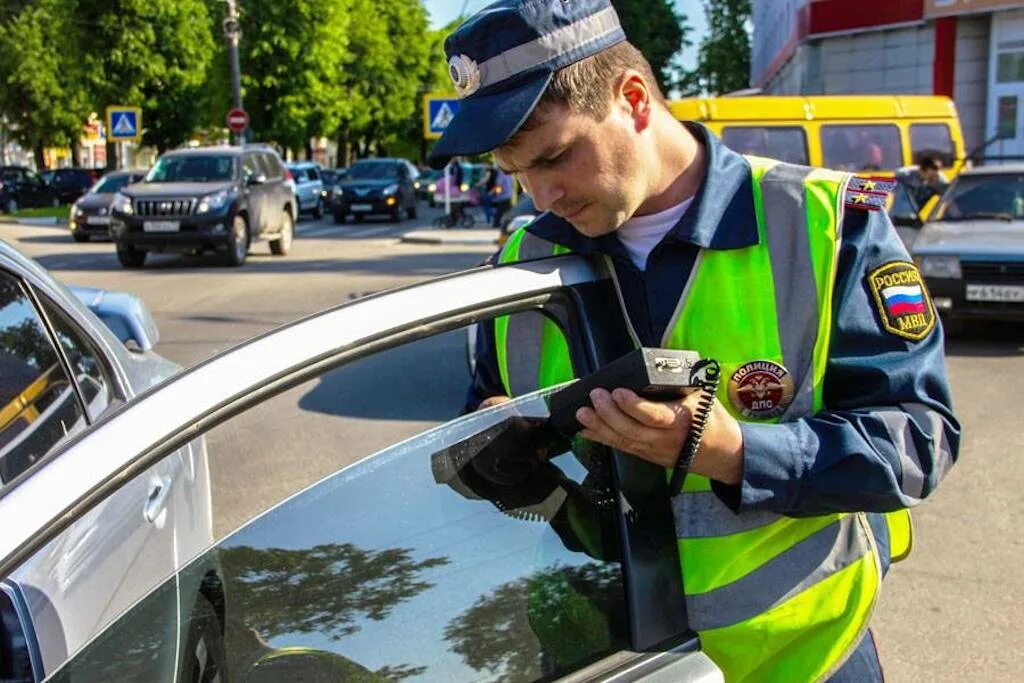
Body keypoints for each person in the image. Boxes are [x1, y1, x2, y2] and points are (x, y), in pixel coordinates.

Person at [428, 1, 960, 681]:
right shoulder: (518, 266)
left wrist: (735, 453)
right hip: (602, 659)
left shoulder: (827, 225)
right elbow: (484, 422)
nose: (540, 195)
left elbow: (921, 438)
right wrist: (490, 443)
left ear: (634, 100)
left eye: (556, 156)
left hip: (802, 659)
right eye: (516, 172)